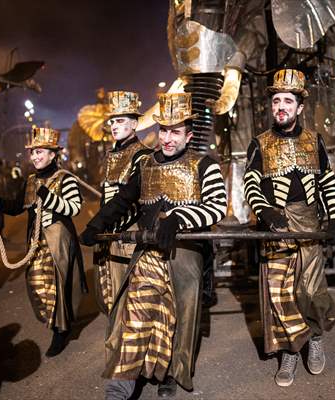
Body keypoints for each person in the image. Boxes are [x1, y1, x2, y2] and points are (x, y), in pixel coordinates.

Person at [80, 92, 227, 399]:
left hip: (185, 256)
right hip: (147, 255)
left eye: (175, 132)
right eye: (163, 130)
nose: (168, 138)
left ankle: (171, 374)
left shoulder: (205, 165)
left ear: (189, 134)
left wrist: (178, 218)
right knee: (135, 315)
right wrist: (97, 224)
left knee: (176, 318)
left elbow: (217, 207)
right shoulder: (145, 164)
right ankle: (121, 385)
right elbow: (122, 200)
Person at [243, 69, 335, 387]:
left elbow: (328, 182)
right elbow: (251, 182)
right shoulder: (259, 143)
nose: (281, 105)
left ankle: (314, 339)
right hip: (275, 226)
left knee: (311, 290)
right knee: (280, 294)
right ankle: (288, 352)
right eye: (276, 100)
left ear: (299, 107)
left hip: (308, 224)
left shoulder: (315, 141)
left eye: (288, 100)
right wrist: (266, 212)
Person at [0, 127, 87, 357]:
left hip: (60, 242)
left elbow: (74, 208)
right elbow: (18, 207)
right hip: (36, 243)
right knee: (36, 283)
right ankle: (56, 322)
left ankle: (60, 331)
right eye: (33, 152)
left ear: (52, 154)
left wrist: (48, 197)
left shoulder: (65, 178)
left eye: (40, 152)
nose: (35, 156)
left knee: (58, 287)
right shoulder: (30, 181)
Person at [93, 91, 151, 316]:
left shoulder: (143, 155)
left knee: (132, 296)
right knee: (113, 296)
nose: (114, 125)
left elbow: (136, 199)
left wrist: (111, 225)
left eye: (120, 120)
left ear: (134, 124)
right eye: (112, 121)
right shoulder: (110, 155)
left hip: (129, 234)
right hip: (110, 233)